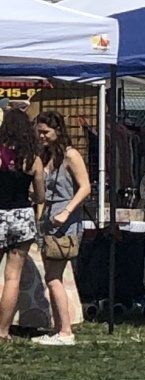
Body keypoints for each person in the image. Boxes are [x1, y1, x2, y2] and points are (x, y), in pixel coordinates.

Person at [30, 110, 89, 347]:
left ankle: (65, 331)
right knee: (51, 276)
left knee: (54, 277)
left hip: (65, 221)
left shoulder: (71, 155)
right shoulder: (46, 157)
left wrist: (67, 211)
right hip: (48, 219)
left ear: (57, 130)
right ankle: (58, 329)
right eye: (39, 133)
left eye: (45, 132)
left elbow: (85, 187)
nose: (42, 136)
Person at [0, 107, 43, 341]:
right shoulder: (32, 159)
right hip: (22, 216)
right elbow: (40, 196)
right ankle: (3, 331)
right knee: (12, 277)